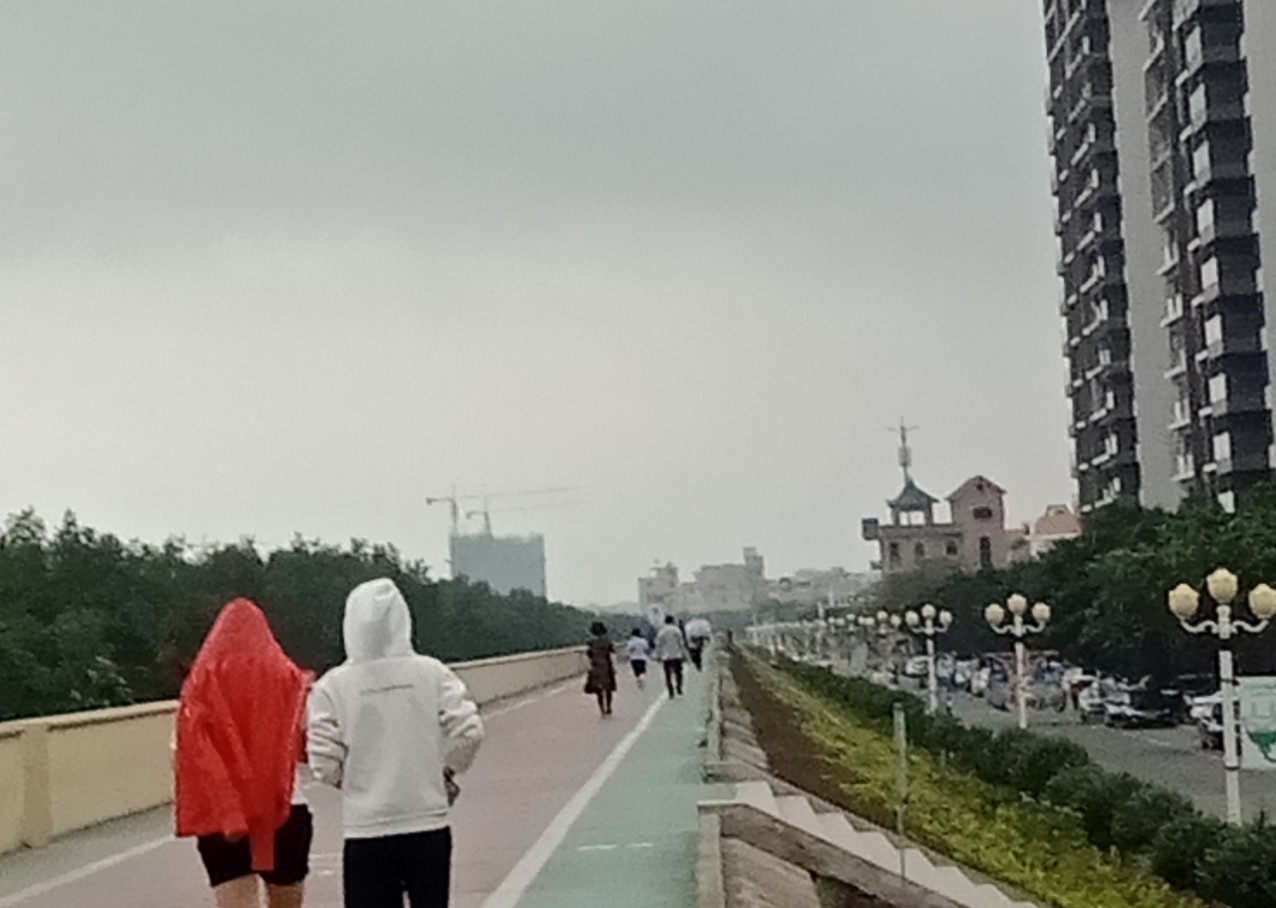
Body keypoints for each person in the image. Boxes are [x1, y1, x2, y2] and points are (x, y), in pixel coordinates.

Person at [308, 578, 485, 908]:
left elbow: (323, 762)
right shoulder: (433, 673)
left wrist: (356, 782)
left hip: (366, 829)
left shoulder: (332, 687)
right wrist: (445, 771)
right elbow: (469, 731)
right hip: (427, 821)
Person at [174, 598, 312, 908]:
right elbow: (306, 743)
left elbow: (182, 753)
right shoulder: (289, 679)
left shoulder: (198, 687)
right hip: (284, 809)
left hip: (222, 818)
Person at [584, 621, 617, 716]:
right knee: (608, 688)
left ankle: (602, 709)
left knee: (598, 690)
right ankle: (609, 707)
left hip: (595, 667)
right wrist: (614, 667)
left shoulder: (591, 643)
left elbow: (587, 656)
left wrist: (589, 667)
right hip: (606, 666)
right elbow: (612, 655)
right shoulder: (608, 642)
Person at [654, 615, 690, 699]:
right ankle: (679, 687)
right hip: (677, 655)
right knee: (679, 673)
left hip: (666, 657)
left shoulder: (661, 631)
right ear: (672, 621)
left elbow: (658, 645)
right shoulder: (677, 630)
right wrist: (684, 654)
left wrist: (658, 656)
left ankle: (671, 692)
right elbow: (681, 643)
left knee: (668, 675)